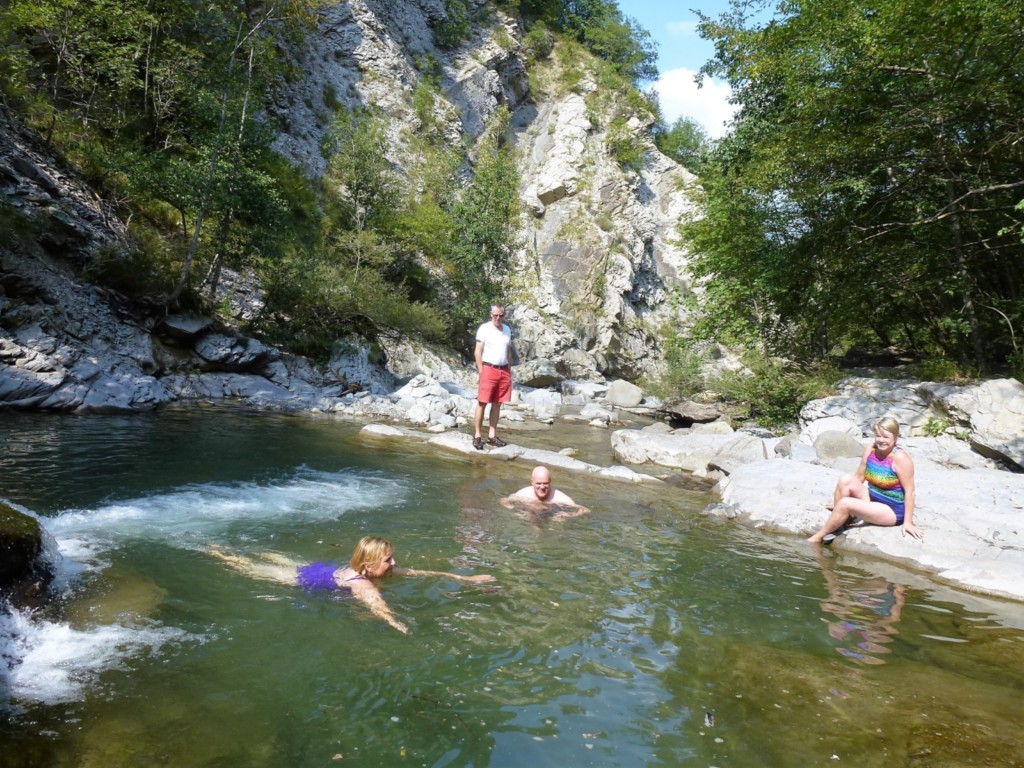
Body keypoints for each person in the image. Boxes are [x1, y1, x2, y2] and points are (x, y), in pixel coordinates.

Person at [209, 535, 495, 634]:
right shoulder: (363, 585)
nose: (394, 563)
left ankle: (246, 548)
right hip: (301, 578)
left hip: (319, 570)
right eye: (388, 560)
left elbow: (421, 572)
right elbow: (377, 607)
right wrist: (398, 624)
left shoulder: (379, 572)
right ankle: (216, 552)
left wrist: (464, 578)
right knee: (247, 568)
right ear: (368, 566)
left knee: (278, 559)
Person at [808, 416, 921, 543]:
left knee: (846, 503)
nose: (881, 440)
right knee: (845, 479)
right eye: (878, 436)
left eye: (885, 437)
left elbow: (910, 491)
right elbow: (859, 477)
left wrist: (908, 522)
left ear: (896, 437)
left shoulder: (900, 458)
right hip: (872, 499)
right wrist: (838, 502)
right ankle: (842, 517)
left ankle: (818, 537)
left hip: (892, 510)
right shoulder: (871, 449)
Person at [473, 303, 516, 450]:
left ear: (504, 315)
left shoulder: (507, 330)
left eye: (501, 315)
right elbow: (478, 352)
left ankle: (492, 435)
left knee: (498, 403)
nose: (498, 318)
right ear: (491, 314)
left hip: (503, 370)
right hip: (488, 368)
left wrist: (508, 371)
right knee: (482, 402)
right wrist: (481, 371)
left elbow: (509, 352)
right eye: (495, 315)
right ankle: (477, 435)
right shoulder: (484, 328)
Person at [501, 465, 590, 519]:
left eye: (545, 483)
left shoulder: (559, 497)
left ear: (550, 481)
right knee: (530, 513)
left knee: (558, 520)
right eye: (539, 484)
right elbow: (504, 500)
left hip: (551, 516)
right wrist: (514, 510)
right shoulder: (524, 493)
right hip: (529, 515)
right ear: (532, 482)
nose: (542, 487)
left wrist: (568, 514)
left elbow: (585, 510)